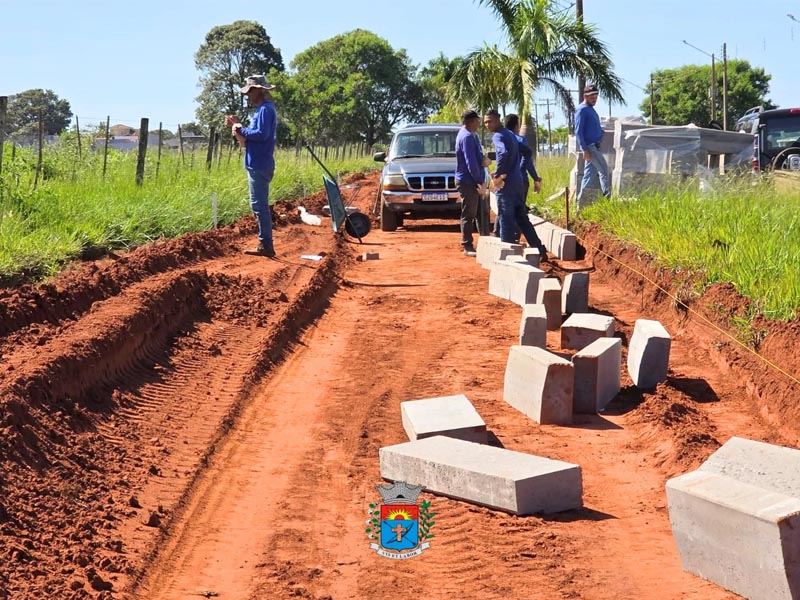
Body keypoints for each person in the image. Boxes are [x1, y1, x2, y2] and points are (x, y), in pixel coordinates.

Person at [483, 110, 548, 260]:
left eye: (490, 121)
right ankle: (540, 251)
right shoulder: (511, 135)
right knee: (522, 220)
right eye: (485, 122)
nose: (487, 125)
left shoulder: (498, 135)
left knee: (505, 220)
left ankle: (508, 258)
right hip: (518, 184)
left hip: (506, 186)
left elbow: (503, 153)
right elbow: (527, 152)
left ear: (498, 120)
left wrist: (498, 174)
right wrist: (519, 170)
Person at [224, 74, 278, 257]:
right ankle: (265, 243)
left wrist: (240, 128)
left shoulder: (265, 110)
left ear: (259, 91)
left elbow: (261, 134)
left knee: (259, 206)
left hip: (259, 163)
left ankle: (266, 245)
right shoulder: (263, 110)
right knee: (258, 205)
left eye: (250, 92)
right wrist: (238, 126)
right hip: (257, 162)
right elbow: (253, 136)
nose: (248, 96)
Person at [493, 114, 542, 239]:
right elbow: (528, 160)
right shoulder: (519, 139)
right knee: (519, 211)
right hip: (520, 181)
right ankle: (515, 237)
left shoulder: (503, 137)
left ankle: (499, 235)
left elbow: (502, 155)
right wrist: (534, 177)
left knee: (503, 210)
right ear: (517, 125)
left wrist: (498, 175)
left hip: (505, 180)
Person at [454, 110, 486, 256]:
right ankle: (467, 245)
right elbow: (471, 163)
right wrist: (479, 182)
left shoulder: (471, 135)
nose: (479, 124)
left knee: (480, 213)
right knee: (469, 214)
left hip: (472, 179)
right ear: (472, 121)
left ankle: (485, 242)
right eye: (477, 121)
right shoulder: (466, 136)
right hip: (469, 181)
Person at [575, 83, 611, 206]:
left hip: (595, 145)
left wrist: (599, 131)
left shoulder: (590, 109)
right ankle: (607, 200)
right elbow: (578, 131)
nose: (594, 99)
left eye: (596, 96)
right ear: (585, 96)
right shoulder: (582, 110)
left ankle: (580, 204)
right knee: (604, 170)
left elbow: (590, 127)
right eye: (591, 96)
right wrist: (584, 149)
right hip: (590, 147)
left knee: (588, 176)